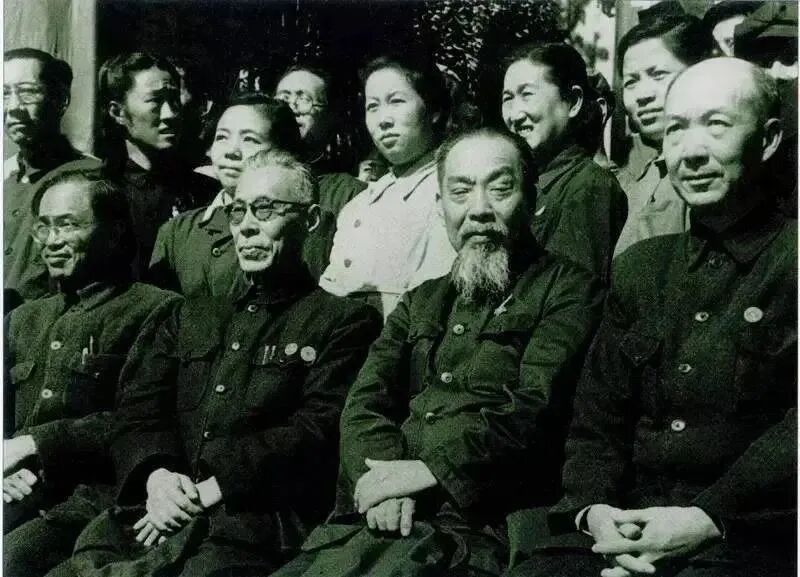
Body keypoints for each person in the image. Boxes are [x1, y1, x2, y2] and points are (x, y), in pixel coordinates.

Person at [506, 58, 796, 577]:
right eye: (676, 128)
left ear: (769, 139)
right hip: (626, 528)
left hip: (751, 537)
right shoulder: (641, 269)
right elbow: (597, 421)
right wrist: (595, 511)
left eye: (717, 124)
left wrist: (709, 517)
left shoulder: (792, 261)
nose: (691, 150)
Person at [270, 127, 603, 577]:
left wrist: (428, 472)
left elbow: (536, 410)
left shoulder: (570, 291)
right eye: (460, 192)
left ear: (532, 199)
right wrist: (386, 481)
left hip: (482, 528)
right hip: (390, 517)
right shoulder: (421, 300)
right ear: (441, 205)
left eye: (500, 188)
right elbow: (365, 403)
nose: (479, 209)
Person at [67, 150, 382, 577]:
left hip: (254, 526)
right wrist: (158, 478)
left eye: (265, 209)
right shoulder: (188, 316)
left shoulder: (344, 322)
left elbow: (318, 430)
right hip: (155, 511)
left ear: (309, 221)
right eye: (237, 211)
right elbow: (139, 410)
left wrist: (213, 488)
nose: (247, 226)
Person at [3, 168, 180, 577]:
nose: (52, 241)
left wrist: (33, 443)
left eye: (67, 225)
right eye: (43, 227)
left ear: (114, 232)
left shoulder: (155, 310)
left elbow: (140, 421)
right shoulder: (22, 320)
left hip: (96, 499)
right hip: (17, 487)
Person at [319, 52, 457, 319]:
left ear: (434, 110)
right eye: (373, 106)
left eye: (396, 101)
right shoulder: (360, 203)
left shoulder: (452, 189)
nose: (383, 120)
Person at [148, 94, 305, 296]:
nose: (231, 151)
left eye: (249, 139)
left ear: (284, 153)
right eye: (221, 137)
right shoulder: (177, 231)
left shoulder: (298, 223)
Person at [502, 42, 627, 284]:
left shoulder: (589, 186)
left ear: (573, 101)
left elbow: (574, 293)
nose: (515, 115)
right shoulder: (528, 183)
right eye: (507, 99)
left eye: (527, 95)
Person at [90, 51, 217, 280]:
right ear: (117, 112)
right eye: (155, 101)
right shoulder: (99, 194)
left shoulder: (207, 192)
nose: (171, 114)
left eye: (174, 99)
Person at [613, 14, 711, 258]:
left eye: (658, 75)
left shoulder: (707, 174)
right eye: (631, 82)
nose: (642, 95)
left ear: (698, 72)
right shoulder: (649, 175)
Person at [3, 48, 89, 302]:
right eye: (4, 94)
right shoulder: (5, 176)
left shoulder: (90, 179)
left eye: (27, 92)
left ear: (60, 100)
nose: (13, 107)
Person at [274, 63, 367, 217]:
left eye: (304, 99)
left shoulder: (347, 193)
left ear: (329, 117)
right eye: (283, 98)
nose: (291, 107)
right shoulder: (242, 177)